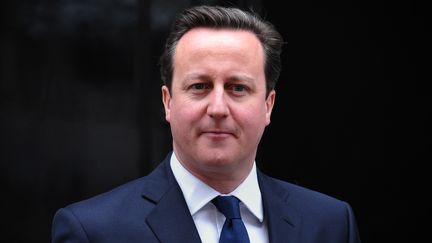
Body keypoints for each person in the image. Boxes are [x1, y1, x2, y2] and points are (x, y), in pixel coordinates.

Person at [51, 5, 361, 243]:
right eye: (199, 86)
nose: (217, 108)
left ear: (268, 105)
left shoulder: (330, 224)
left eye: (238, 88)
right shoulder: (93, 231)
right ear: (167, 101)